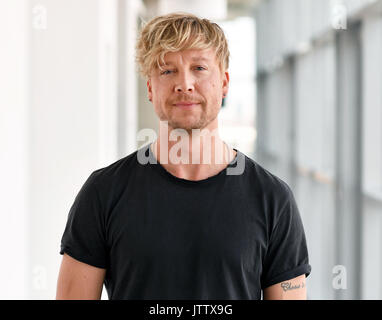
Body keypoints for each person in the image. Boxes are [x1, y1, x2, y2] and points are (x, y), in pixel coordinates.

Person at [56, 12, 311, 300]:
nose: (185, 84)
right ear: (151, 88)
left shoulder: (272, 199)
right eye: (168, 71)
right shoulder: (103, 193)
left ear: (225, 83)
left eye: (199, 68)